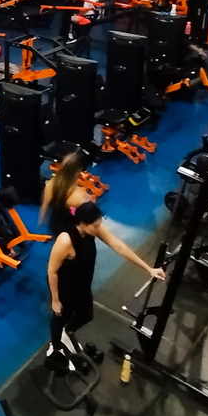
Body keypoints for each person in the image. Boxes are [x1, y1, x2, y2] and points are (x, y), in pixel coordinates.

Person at [42, 156, 165, 363]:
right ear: (83, 223)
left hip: (82, 283)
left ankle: (65, 333)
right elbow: (52, 271)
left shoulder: (90, 230)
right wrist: (55, 300)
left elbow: (118, 245)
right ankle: (54, 348)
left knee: (85, 315)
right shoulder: (65, 240)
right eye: (96, 225)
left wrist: (148, 268)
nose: (100, 228)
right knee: (60, 315)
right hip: (65, 287)